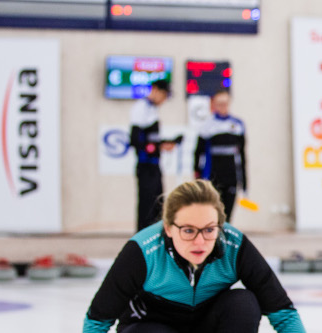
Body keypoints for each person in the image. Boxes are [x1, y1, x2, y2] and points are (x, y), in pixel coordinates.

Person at [83, 179, 305, 333]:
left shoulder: (234, 245)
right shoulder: (142, 251)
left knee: (243, 303)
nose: (200, 241)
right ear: (168, 228)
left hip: (207, 321)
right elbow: (97, 320)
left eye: (209, 229)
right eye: (188, 230)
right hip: (151, 324)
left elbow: (283, 312)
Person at [130, 79, 178, 231]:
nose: (163, 100)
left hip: (154, 165)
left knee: (158, 205)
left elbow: (152, 141)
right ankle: (142, 243)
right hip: (146, 166)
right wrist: (158, 146)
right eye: (163, 95)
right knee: (146, 206)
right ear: (155, 90)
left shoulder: (153, 110)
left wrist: (166, 143)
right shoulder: (141, 108)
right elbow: (136, 140)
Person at [194, 90, 248, 221]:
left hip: (231, 176)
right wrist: (198, 175)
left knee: (228, 213)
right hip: (214, 176)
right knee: (213, 211)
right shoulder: (207, 126)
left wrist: (244, 181)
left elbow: (242, 154)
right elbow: (198, 153)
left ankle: (225, 238)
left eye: (225, 103)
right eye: (219, 104)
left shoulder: (237, 125)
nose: (223, 107)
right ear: (214, 105)